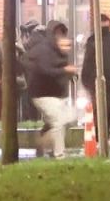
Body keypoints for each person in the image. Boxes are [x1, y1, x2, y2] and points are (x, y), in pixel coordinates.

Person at [27, 21, 77, 158]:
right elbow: (45, 70)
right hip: (42, 93)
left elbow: (63, 71)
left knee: (68, 117)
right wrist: (65, 70)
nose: (60, 37)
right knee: (58, 121)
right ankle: (58, 153)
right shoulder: (43, 50)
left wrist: (70, 73)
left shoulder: (61, 52)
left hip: (58, 94)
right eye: (57, 34)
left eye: (62, 34)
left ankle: (43, 140)